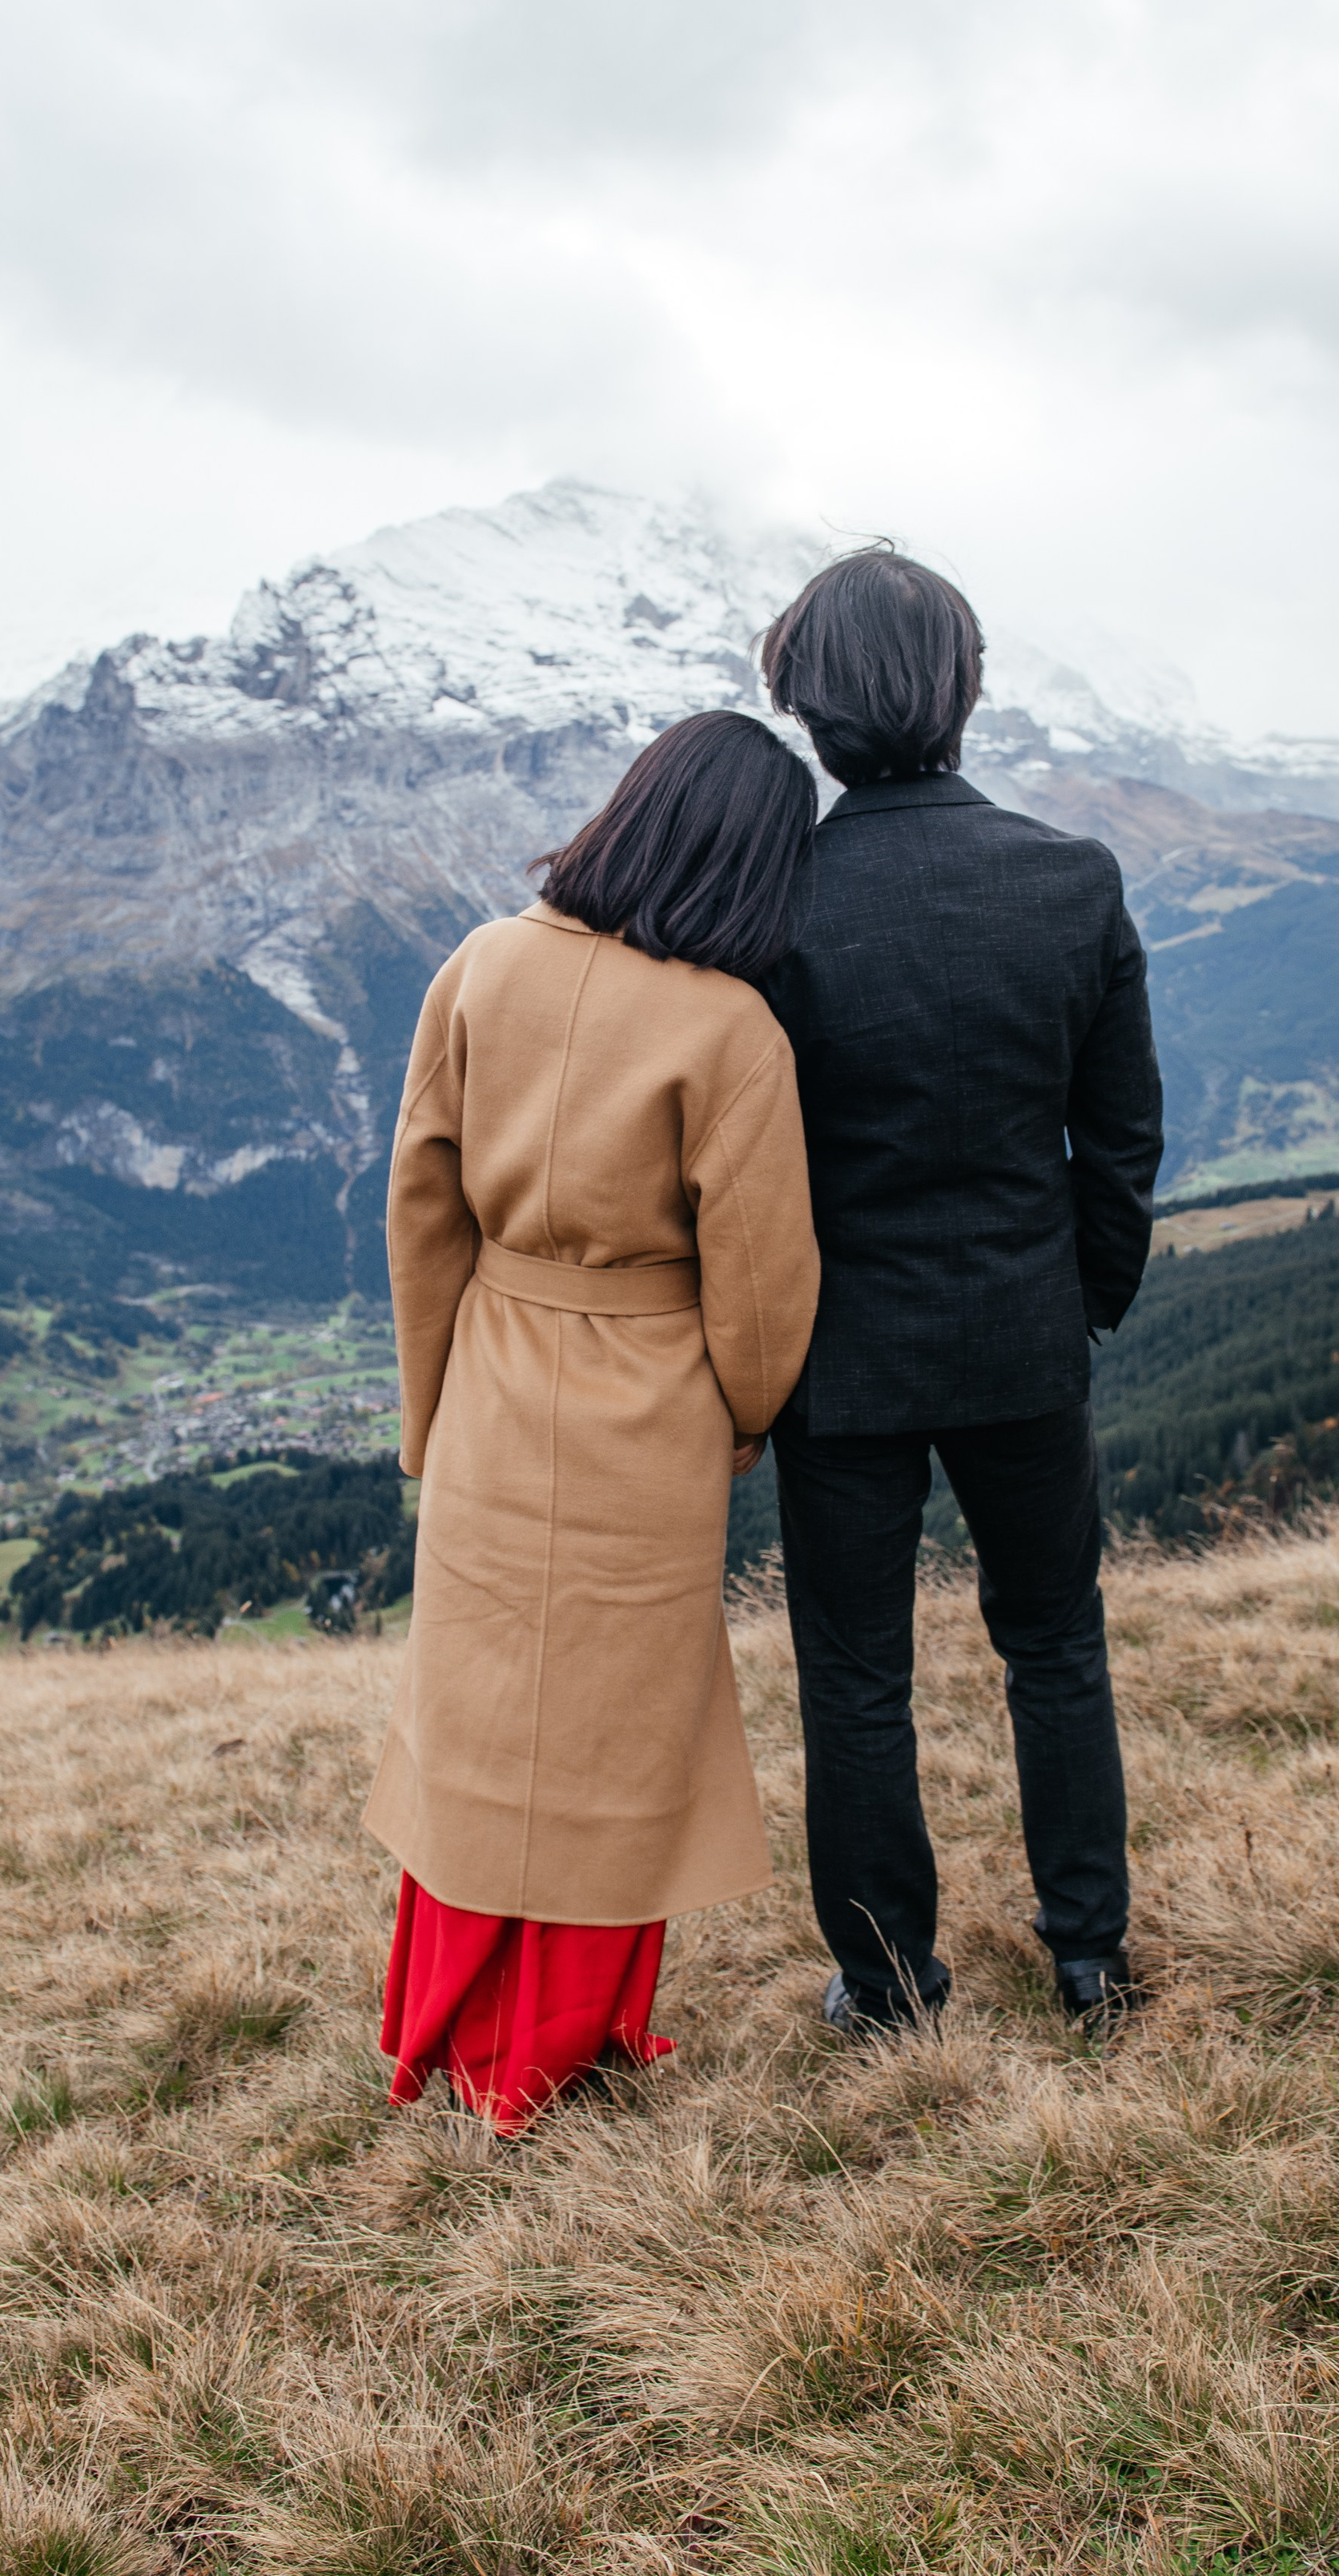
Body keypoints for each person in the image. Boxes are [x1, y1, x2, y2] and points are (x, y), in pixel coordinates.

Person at [363, 711, 820, 2133]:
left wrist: (431, 1409)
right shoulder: (731, 1026)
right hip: (649, 1396)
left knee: (483, 1714)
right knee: (621, 1730)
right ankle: (569, 2036)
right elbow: (760, 1271)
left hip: (496, 1370)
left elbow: (422, 1208)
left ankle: (448, 2033)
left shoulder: (481, 965)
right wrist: (745, 1413)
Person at [758, 549, 1164, 2036]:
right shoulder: (1069, 879)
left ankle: (887, 1982)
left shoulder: (774, 901)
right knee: (1054, 1639)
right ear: (965, 688)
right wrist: (1081, 1302)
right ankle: (1088, 1957)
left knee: (854, 1678)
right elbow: (1117, 1135)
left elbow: (746, 1158)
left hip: (836, 1360)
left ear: (805, 704)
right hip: (1021, 1334)